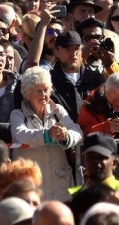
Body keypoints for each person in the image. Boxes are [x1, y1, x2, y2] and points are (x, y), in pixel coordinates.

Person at [11, 66, 81, 202]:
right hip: (32, 186)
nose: (43, 95)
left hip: (60, 185)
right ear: (28, 93)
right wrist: (47, 134)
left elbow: (77, 131)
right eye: (38, 91)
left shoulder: (58, 110)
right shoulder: (17, 115)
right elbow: (21, 134)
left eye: (46, 90)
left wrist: (66, 136)